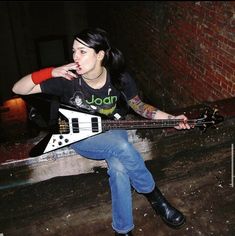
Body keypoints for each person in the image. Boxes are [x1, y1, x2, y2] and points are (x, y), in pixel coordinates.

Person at [12, 28, 191, 236]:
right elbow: (18, 89)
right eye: (73, 51)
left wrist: (171, 119)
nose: (75, 57)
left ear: (100, 55)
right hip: (82, 137)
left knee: (118, 166)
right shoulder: (67, 80)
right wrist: (51, 72)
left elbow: (140, 107)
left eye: (82, 51)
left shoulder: (119, 79)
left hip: (114, 130)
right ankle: (155, 197)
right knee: (122, 147)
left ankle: (123, 231)